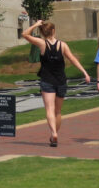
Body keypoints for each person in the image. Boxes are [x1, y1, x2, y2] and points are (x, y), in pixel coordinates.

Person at [22, 19, 90, 147]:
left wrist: (35, 24)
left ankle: (53, 133)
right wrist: (85, 73)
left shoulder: (42, 43)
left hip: (47, 80)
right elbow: (73, 59)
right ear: (53, 31)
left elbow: (24, 34)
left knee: (49, 109)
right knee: (58, 111)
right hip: (61, 81)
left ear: (43, 32)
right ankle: (54, 134)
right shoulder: (62, 45)